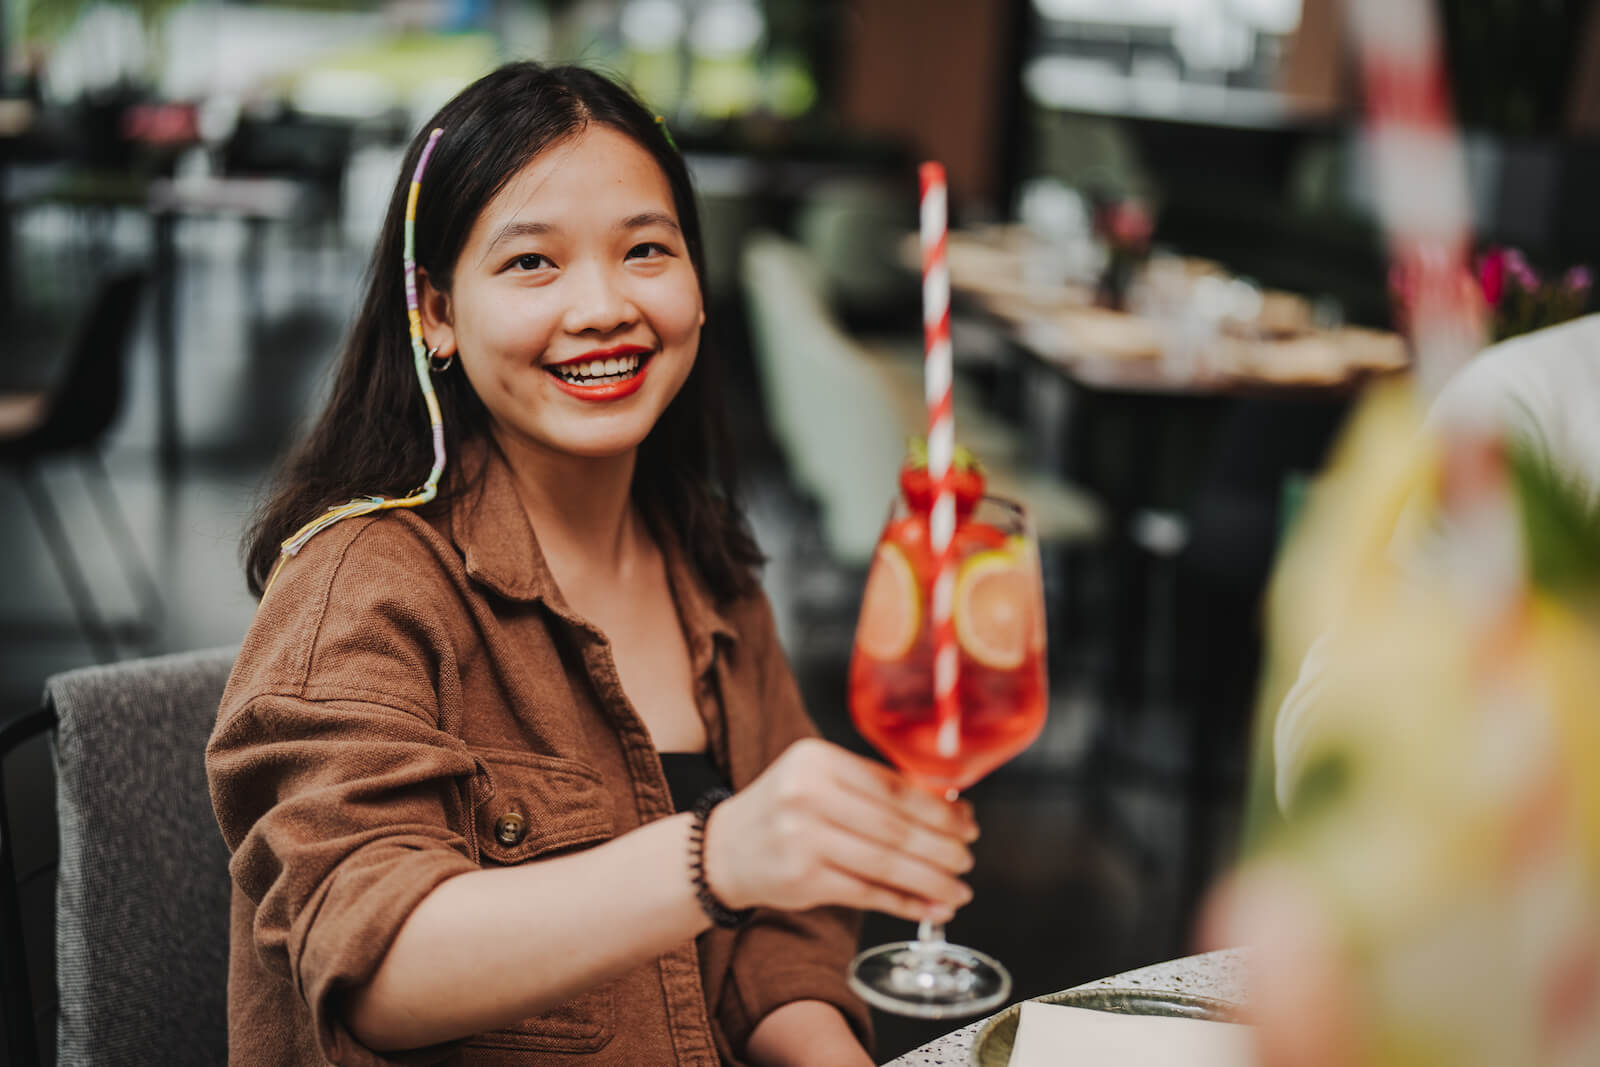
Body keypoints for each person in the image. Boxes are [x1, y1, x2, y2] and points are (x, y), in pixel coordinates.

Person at [207, 62, 978, 1067]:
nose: (603, 305)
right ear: (435, 312)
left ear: (698, 284)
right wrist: (718, 856)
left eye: (646, 250)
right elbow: (379, 971)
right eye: (533, 263)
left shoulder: (706, 565)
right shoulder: (363, 584)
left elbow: (779, 942)